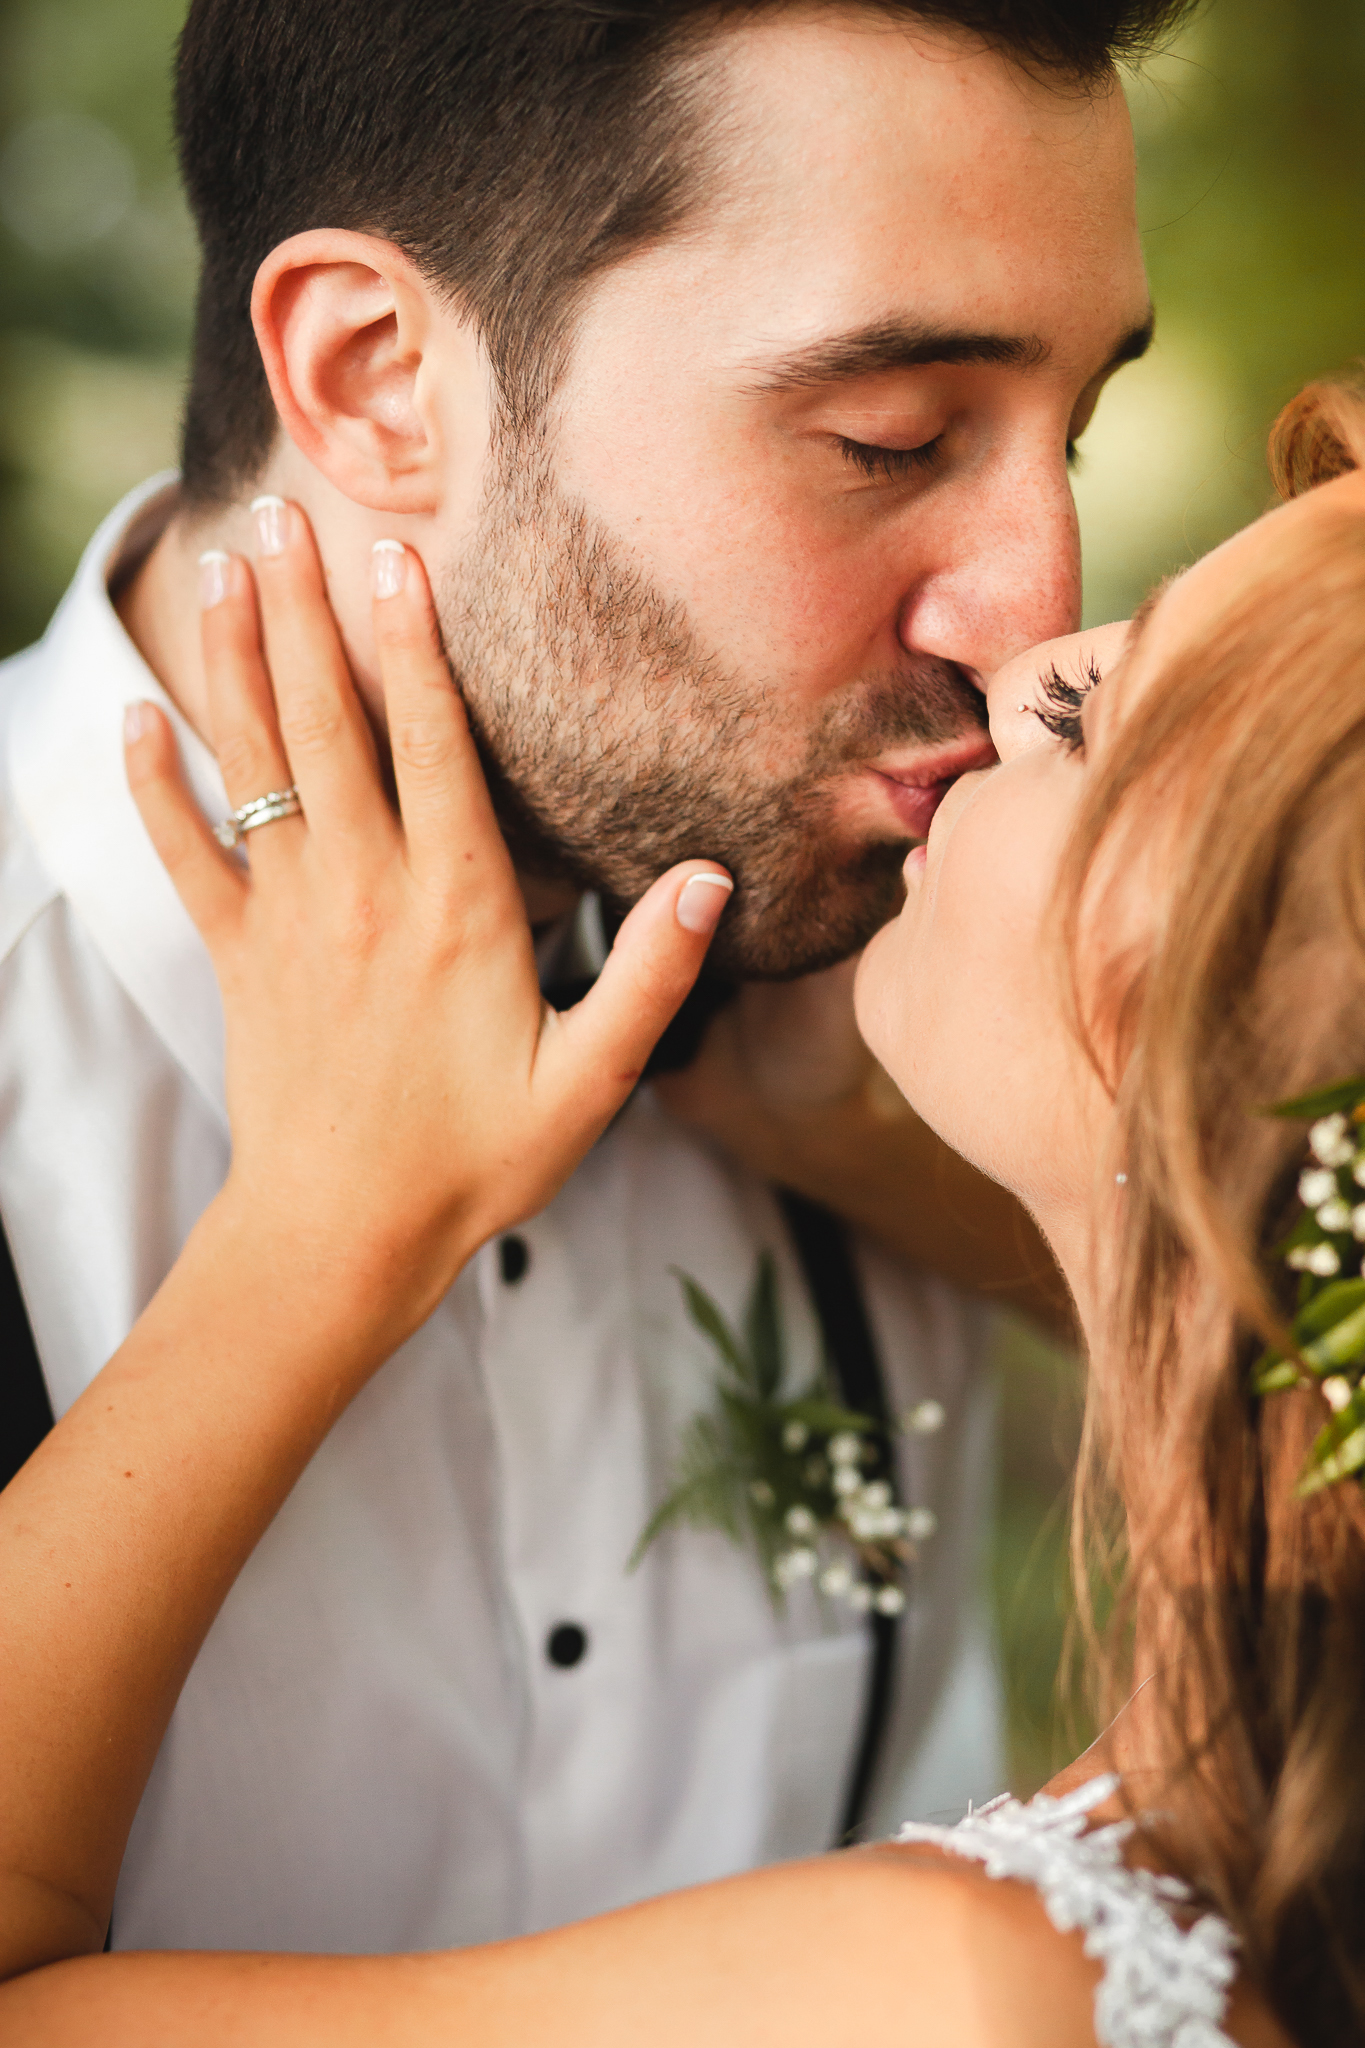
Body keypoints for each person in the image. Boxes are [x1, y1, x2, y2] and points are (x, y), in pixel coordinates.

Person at [0, 0, 1181, 1951]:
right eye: (885, 437)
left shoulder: (917, 1020)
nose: (1028, 605)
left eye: (1069, 429)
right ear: (375, 377)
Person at [5, 371, 1364, 2046]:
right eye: (885, 437)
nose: (1015, 660)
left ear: (1221, 1045)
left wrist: (319, 1230)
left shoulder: (966, 1992)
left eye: (1091, 720)